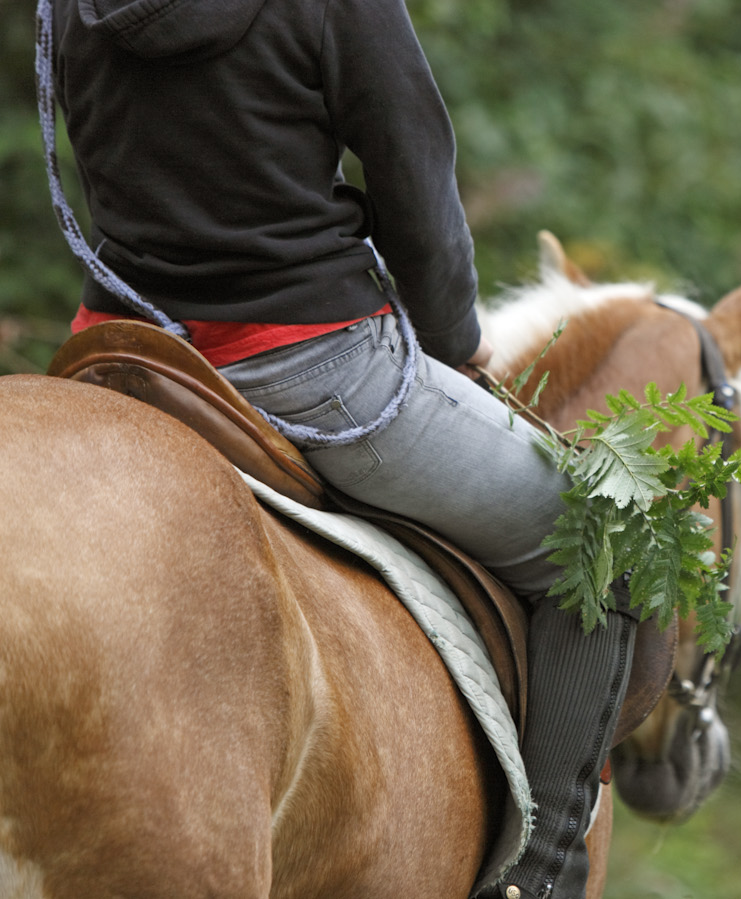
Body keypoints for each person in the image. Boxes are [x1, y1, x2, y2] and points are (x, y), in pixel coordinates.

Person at [49, 0, 630, 895]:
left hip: (127, 351)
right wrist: (451, 339)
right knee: (604, 536)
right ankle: (544, 870)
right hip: (313, 370)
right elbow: (412, 174)